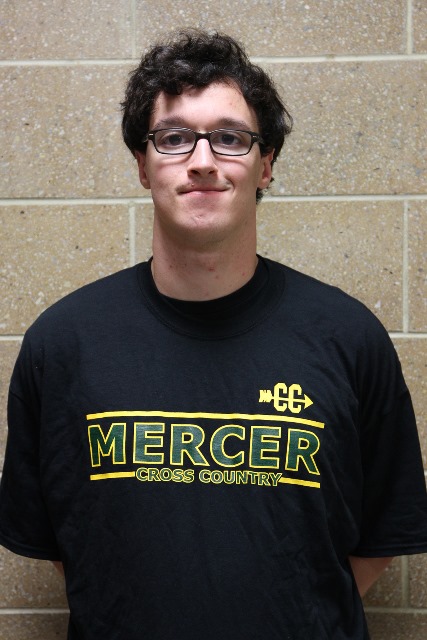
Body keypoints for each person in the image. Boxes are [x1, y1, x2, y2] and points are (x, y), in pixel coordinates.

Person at [0, 29, 426, 640]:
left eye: (230, 138)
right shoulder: (62, 345)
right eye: (174, 138)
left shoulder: (349, 338)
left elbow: (378, 539)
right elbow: (74, 550)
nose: (202, 160)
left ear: (265, 164)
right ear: (142, 165)